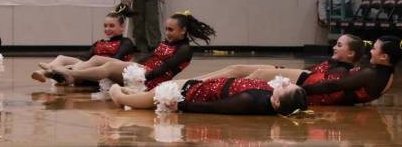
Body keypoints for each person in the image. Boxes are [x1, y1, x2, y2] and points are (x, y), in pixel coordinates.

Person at [49, 11, 215, 89]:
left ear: (183, 31)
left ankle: (71, 73)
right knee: (98, 59)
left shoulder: (185, 49)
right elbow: (150, 56)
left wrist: (138, 73)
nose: (167, 33)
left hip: (149, 79)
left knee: (108, 67)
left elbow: (164, 68)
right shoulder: (167, 42)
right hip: (142, 69)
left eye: (171, 30)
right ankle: (64, 72)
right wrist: (129, 64)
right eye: (166, 29)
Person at [187, 34, 364, 106]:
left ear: (351, 53)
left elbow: (326, 90)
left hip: (291, 81)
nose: (334, 47)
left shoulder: (341, 71)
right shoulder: (335, 65)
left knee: (249, 76)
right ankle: (193, 81)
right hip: (292, 74)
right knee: (236, 68)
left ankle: (194, 87)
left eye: (339, 45)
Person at [298, 35, 402, 105]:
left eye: (374, 48)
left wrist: (300, 90)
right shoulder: (389, 74)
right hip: (328, 93)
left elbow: (333, 85)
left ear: (383, 57)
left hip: (322, 97)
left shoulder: (370, 74)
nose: (370, 51)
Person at [32, 5, 136, 84]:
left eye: (111, 26)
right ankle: (49, 71)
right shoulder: (99, 43)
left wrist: (74, 66)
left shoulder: (126, 42)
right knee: (62, 58)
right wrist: (73, 65)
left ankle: (56, 73)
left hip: (106, 74)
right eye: (105, 26)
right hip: (89, 68)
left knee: (94, 59)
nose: (107, 29)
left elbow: (115, 61)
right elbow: (84, 59)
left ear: (122, 27)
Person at [109, 75, 309, 116]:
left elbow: (216, 108)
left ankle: (119, 94)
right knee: (143, 96)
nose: (284, 82)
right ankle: (131, 94)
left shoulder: (250, 101)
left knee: (126, 100)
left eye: (285, 87)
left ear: (275, 101)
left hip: (187, 93)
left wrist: (182, 106)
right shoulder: (271, 97)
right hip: (201, 86)